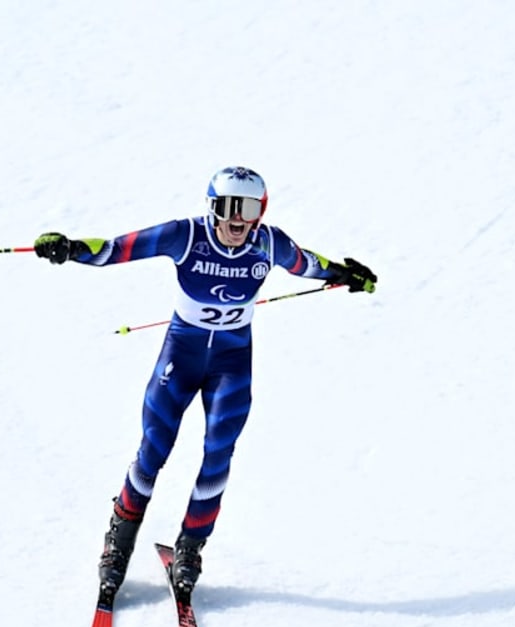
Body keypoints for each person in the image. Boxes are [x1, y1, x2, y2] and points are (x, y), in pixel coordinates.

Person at [34, 166, 376, 600]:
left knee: (218, 454)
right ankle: (117, 543)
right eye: (227, 207)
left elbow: (307, 263)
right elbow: (117, 249)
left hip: (231, 364)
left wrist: (345, 274)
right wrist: (69, 249)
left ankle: (190, 548)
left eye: (247, 208)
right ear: (212, 207)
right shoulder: (186, 236)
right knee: (154, 448)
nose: (237, 219)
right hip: (181, 356)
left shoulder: (269, 243)